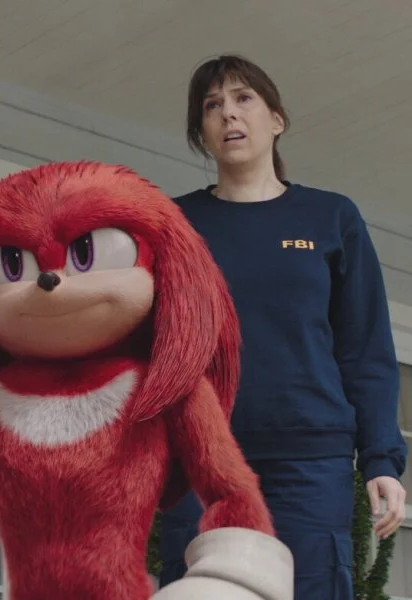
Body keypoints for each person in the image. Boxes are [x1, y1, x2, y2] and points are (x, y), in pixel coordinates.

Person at [158, 54, 408, 599]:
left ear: (277, 119)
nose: (228, 114)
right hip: (201, 455)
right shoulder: (174, 224)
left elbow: (365, 350)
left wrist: (382, 459)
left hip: (309, 459)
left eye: (243, 98)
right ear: (201, 132)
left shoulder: (331, 217)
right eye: (212, 106)